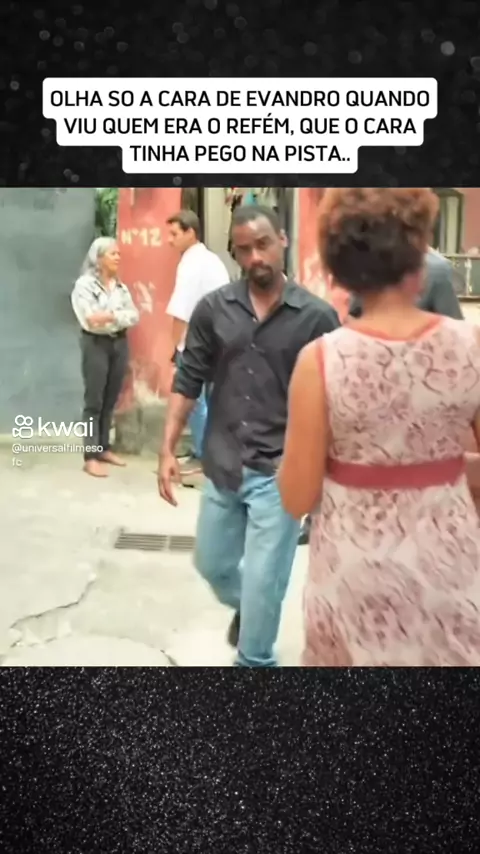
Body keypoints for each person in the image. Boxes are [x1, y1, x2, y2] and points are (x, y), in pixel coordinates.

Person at [278, 187, 480, 667]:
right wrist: (447, 471)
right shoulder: (471, 345)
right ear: (418, 252)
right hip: (449, 567)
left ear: (341, 265)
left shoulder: (320, 361)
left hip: (354, 577)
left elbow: (297, 497)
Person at [158, 205, 339, 667]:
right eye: (244, 250)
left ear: (282, 241)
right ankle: (252, 608)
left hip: (280, 474)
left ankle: (255, 655)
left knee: (262, 595)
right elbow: (188, 379)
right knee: (212, 565)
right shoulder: (214, 309)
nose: (255, 257)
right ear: (235, 254)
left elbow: (336, 399)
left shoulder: (317, 318)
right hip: (223, 464)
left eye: (263, 244)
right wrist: (167, 448)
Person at [297, 243, 465, 547]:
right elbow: (357, 317)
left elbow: (452, 334)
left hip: (418, 387)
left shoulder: (436, 270)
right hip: (369, 381)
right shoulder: (367, 261)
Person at [165, 210, 230, 475]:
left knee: (191, 399)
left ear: (190, 233)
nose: (169, 240)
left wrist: (176, 349)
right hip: (219, 339)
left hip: (198, 342)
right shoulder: (211, 260)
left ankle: (204, 457)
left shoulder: (191, 264)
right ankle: (204, 451)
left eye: (174, 234)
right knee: (210, 400)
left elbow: (181, 311)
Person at [71, 237, 139, 478]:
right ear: (98, 258)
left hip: (119, 343)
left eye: (119, 253)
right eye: (113, 254)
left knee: (110, 398)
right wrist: (117, 315)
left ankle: (103, 448)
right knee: (94, 401)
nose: (118, 257)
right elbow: (90, 319)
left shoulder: (121, 287)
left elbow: (134, 315)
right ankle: (90, 456)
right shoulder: (84, 286)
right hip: (96, 344)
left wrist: (109, 316)